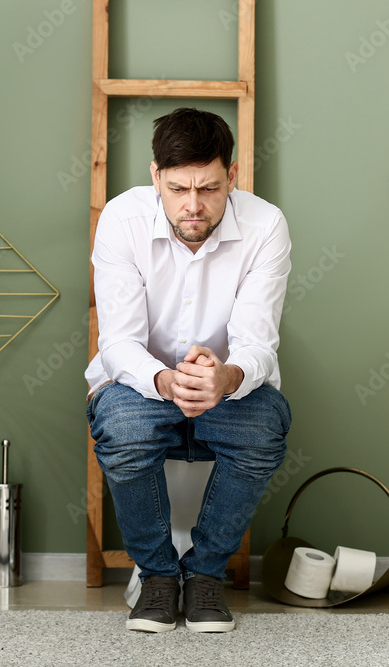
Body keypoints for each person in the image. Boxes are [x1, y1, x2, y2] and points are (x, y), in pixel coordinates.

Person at [85, 107, 292, 633]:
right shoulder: (120, 219)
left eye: (210, 188)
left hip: (229, 388)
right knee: (124, 429)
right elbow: (120, 343)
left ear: (234, 175)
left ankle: (204, 575)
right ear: (156, 176)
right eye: (178, 189)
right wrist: (164, 379)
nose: (194, 206)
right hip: (141, 383)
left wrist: (224, 379)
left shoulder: (266, 225)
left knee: (266, 428)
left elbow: (257, 344)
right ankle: (158, 577)